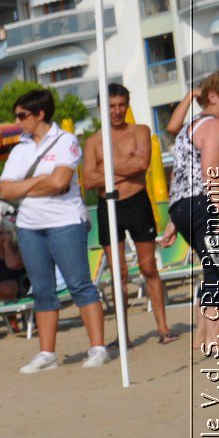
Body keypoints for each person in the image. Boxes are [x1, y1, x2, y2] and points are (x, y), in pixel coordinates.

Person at [0, 88, 108, 373]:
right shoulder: (20, 148)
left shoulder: (66, 140)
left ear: (40, 114)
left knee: (79, 284)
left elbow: (60, 181)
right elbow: (4, 189)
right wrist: (40, 181)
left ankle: (98, 347)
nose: (17, 121)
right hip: (29, 226)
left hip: (65, 222)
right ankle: (47, 354)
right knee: (42, 291)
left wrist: (25, 186)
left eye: (22, 116)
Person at [83, 83, 175, 345]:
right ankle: (123, 336)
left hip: (137, 203)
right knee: (118, 272)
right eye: (111, 106)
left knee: (148, 267)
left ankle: (163, 328)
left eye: (122, 105)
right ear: (102, 108)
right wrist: (126, 166)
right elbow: (88, 180)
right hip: (108, 207)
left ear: (128, 105)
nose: (117, 111)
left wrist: (106, 169)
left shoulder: (140, 131)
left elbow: (142, 164)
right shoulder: (93, 142)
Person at [163, 69, 219, 348]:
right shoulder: (213, 126)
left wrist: (173, 220)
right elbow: (210, 172)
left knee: (210, 266)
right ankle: (214, 338)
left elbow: (180, 175)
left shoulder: (191, 127)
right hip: (205, 204)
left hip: (185, 206)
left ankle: (203, 336)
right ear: (213, 96)